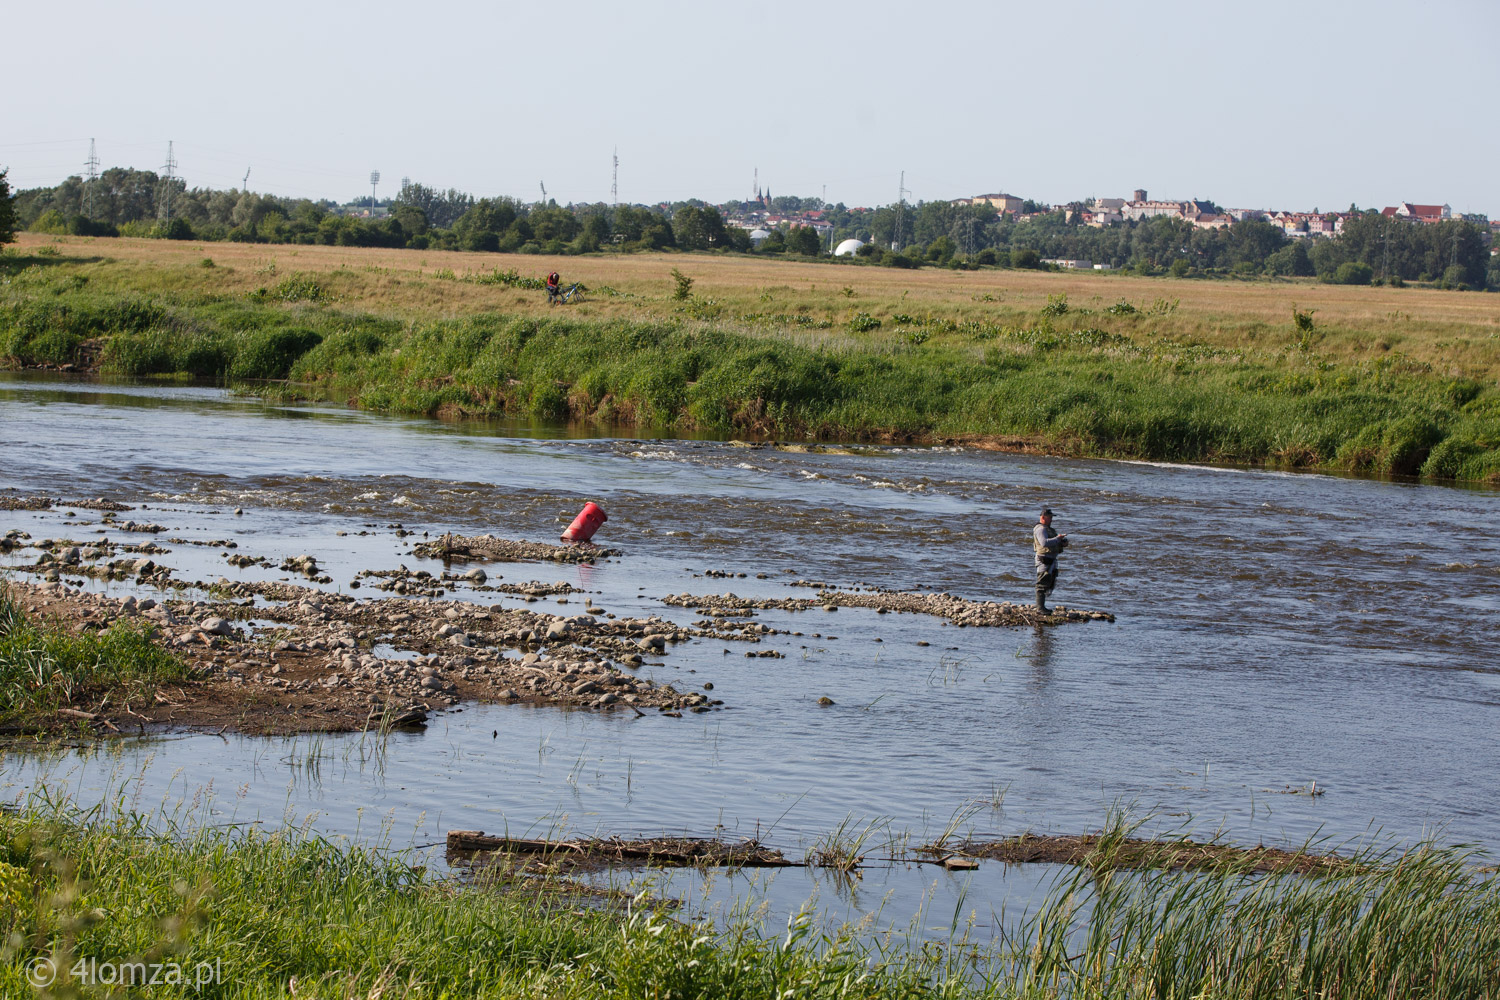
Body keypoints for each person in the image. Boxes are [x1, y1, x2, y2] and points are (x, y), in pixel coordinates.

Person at [1032, 508, 1067, 613]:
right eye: (1050, 517)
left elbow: (1053, 542)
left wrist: (1062, 542)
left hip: (1050, 559)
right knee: (1042, 583)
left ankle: (1042, 607)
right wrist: (1058, 539)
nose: (1051, 519)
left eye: (1052, 517)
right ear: (1043, 517)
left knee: (1049, 582)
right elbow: (1044, 543)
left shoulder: (1048, 529)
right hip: (1043, 560)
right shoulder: (1040, 529)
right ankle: (1040, 608)